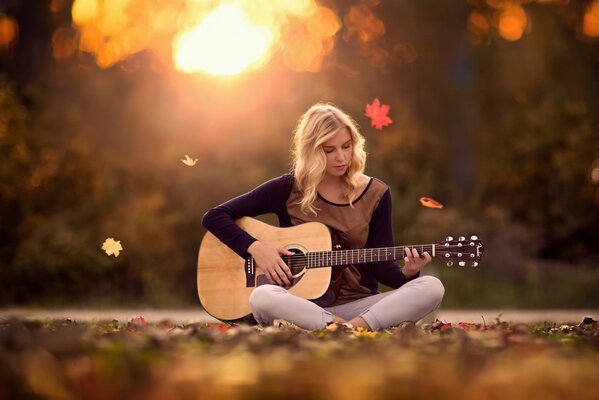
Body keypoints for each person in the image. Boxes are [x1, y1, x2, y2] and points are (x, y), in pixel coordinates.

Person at [202, 102, 444, 330]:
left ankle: (347, 329)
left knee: (431, 287)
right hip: (301, 306)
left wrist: (408, 272)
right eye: (329, 150)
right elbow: (215, 216)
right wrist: (256, 249)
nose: (341, 157)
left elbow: (381, 267)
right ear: (311, 150)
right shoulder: (288, 188)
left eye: (346, 146)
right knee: (261, 296)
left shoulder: (376, 193)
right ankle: (339, 326)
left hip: (358, 306)